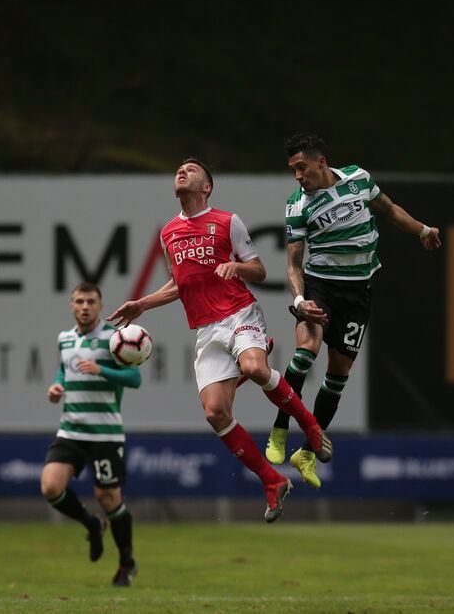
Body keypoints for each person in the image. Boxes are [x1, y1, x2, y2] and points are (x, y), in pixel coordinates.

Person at [106, 157, 332, 523]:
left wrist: (237, 267)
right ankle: (272, 481)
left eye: (191, 170)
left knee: (255, 367)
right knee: (215, 413)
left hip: (240, 313)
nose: (182, 171)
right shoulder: (168, 233)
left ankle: (311, 427)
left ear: (206, 187)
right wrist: (142, 304)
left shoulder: (227, 221)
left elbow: (258, 269)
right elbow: (182, 284)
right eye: (179, 169)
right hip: (207, 330)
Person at [265, 133, 442, 488]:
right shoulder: (298, 205)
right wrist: (300, 301)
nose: (298, 176)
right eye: (292, 170)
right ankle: (279, 430)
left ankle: (308, 452)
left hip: (358, 293)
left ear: (320, 161)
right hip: (320, 288)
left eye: (302, 167)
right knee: (305, 354)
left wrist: (422, 229)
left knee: (338, 373)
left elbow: (389, 210)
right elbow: (294, 265)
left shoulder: (358, 178)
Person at [41, 282, 142, 587]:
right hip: (71, 429)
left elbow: (134, 377)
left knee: (108, 497)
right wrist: (56, 386)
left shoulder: (114, 339)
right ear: (72, 306)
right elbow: (65, 370)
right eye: (79, 301)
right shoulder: (64, 339)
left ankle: (127, 563)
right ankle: (93, 524)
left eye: (90, 301)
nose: (84, 306)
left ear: (100, 306)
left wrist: (103, 371)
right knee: (50, 487)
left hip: (105, 433)